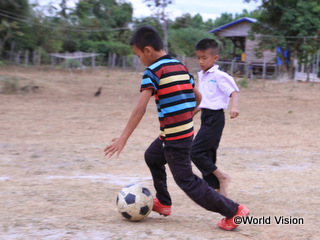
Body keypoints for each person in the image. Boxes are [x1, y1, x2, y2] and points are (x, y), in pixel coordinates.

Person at [104, 26, 249, 231]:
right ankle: (163, 203)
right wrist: (185, 117)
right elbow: (199, 98)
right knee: (152, 156)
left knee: (187, 181)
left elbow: (140, 108)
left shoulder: (152, 71)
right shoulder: (180, 67)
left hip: (174, 137)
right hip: (179, 132)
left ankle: (234, 211)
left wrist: (123, 138)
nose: (139, 60)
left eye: (138, 55)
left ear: (148, 50)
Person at [190, 38, 240, 198]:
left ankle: (222, 177)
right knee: (208, 153)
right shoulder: (202, 76)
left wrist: (234, 106)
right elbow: (203, 101)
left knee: (195, 151)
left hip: (216, 118)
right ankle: (218, 190)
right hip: (206, 116)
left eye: (204, 58)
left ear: (215, 58)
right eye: (198, 58)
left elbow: (234, 91)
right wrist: (189, 116)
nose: (200, 61)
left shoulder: (219, 75)